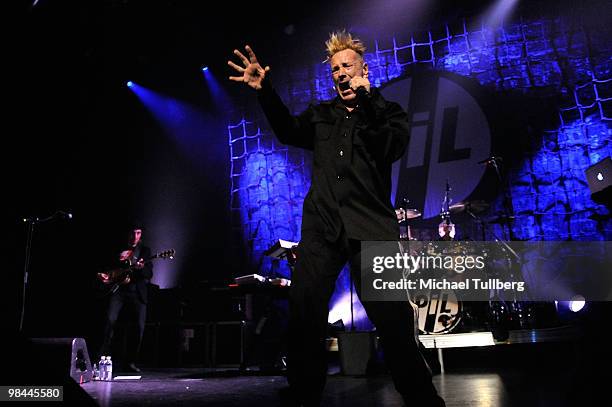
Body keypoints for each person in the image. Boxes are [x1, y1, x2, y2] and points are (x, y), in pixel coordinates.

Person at [228, 31, 445, 406]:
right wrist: (265, 90)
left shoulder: (388, 113)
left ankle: (422, 398)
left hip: (371, 228)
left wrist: (368, 98)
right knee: (305, 313)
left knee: (393, 322)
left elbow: (389, 146)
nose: (340, 74)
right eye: (335, 70)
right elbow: (288, 131)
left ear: (364, 69)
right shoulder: (322, 115)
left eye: (347, 67)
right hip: (322, 228)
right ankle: (303, 392)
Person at [98, 224, 152, 373]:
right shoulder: (118, 248)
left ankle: (131, 362)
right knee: (109, 321)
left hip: (137, 292)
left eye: (138, 233)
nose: (135, 236)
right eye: (133, 232)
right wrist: (106, 276)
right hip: (119, 290)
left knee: (138, 327)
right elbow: (109, 267)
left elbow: (149, 274)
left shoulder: (145, 251)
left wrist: (140, 267)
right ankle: (103, 359)